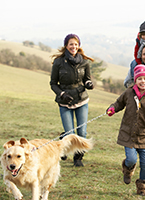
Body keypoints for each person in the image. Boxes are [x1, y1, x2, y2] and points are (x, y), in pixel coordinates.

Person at [106, 64, 145, 196]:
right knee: (131, 159)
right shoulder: (128, 93)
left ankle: (143, 187)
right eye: (140, 79)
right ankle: (127, 169)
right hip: (128, 135)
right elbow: (118, 103)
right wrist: (112, 109)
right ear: (135, 81)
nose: (143, 81)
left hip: (144, 137)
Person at [50, 33, 94, 167]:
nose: (73, 46)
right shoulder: (58, 62)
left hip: (81, 100)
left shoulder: (85, 62)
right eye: (71, 44)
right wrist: (62, 93)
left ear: (78, 46)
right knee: (70, 133)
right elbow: (53, 83)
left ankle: (78, 158)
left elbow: (87, 79)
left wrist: (88, 84)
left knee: (82, 132)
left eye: (75, 44)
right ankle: (64, 140)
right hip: (65, 102)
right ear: (66, 46)